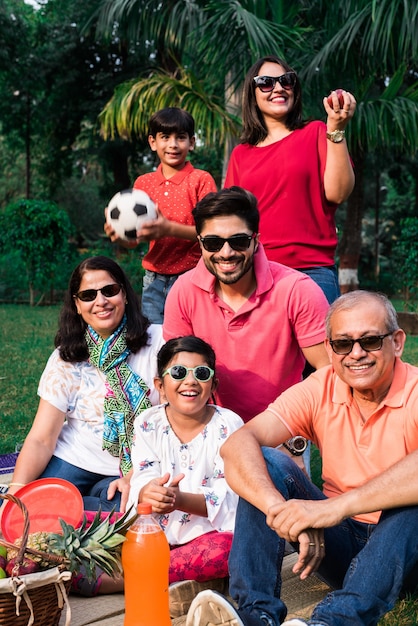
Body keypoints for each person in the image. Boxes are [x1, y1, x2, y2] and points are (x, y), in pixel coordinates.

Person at [186, 290, 418, 626]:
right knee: (262, 461)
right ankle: (255, 614)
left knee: (411, 505)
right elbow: (237, 444)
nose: (356, 354)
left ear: (397, 342)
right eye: (343, 344)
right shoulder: (321, 385)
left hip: (405, 554)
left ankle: (332, 621)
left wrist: (331, 508)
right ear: (329, 349)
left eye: (370, 341)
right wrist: (281, 511)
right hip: (339, 542)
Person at [4, 256, 164, 515]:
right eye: (88, 295)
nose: (100, 302)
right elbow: (42, 439)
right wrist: (16, 489)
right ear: (77, 305)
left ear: (124, 293)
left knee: (140, 512)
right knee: (25, 511)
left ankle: (75, 509)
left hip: (136, 464)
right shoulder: (65, 357)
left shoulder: (158, 342)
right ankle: (79, 509)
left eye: (109, 291)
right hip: (73, 460)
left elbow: (170, 422)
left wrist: (134, 476)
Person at [163, 186, 330, 425]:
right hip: (208, 428)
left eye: (239, 241)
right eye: (213, 243)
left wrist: (297, 435)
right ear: (199, 243)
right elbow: (176, 375)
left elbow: (328, 371)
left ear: (255, 240)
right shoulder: (183, 291)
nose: (226, 252)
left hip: (280, 428)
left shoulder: (297, 290)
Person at [224, 55, 356, 304]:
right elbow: (233, 219)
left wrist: (336, 128)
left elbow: (338, 193)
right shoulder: (241, 154)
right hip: (257, 273)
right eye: (266, 82)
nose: (278, 88)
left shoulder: (317, 131)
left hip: (313, 272)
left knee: (319, 344)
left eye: (286, 80)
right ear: (252, 94)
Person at [128, 335, 243, 612]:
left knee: (230, 551)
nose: (190, 381)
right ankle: (186, 582)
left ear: (213, 385)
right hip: (155, 536)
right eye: (178, 372)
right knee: (93, 526)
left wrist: (180, 500)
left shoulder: (228, 425)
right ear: (161, 386)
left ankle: (128, 577)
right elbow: (142, 475)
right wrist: (148, 491)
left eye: (201, 374)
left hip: (207, 537)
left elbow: (230, 497)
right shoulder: (147, 423)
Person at [105, 107, 217, 324]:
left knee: (187, 339)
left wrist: (169, 229)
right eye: (165, 137)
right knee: (153, 340)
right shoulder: (143, 184)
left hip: (193, 276)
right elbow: (134, 241)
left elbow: (212, 234)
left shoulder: (201, 180)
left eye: (181, 137)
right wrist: (119, 237)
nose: (173, 144)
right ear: (153, 142)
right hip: (153, 279)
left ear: (191, 142)